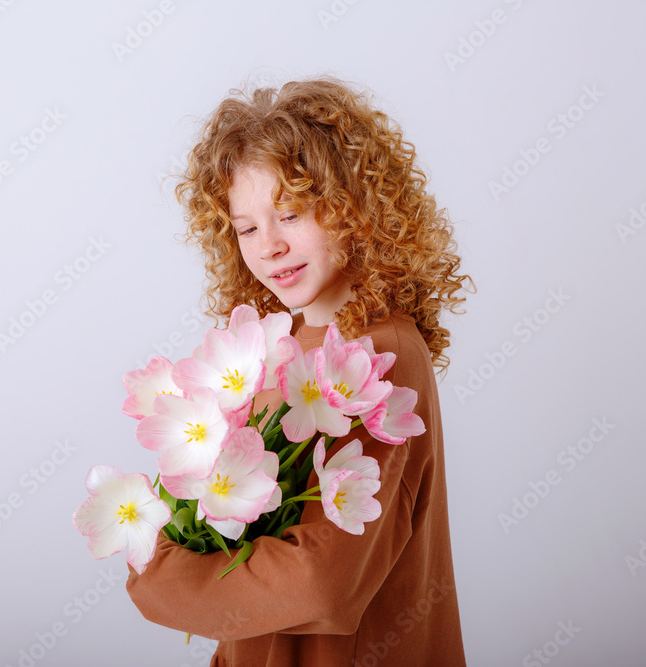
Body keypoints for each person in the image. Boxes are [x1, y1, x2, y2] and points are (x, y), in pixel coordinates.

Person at [126, 76, 473, 666]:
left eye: (290, 213)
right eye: (247, 228)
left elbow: (318, 579)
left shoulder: (376, 358)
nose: (269, 247)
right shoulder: (274, 346)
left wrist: (162, 579)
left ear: (354, 207)